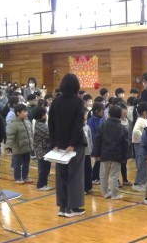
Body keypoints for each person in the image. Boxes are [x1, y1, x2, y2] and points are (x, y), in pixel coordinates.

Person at [49, 73, 86, 218]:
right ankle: (72, 208)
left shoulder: (56, 101)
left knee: (61, 175)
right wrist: (72, 143)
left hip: (59, 145)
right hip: (74, 145)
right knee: (75, 176)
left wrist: (54, 143)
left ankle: (63, 207)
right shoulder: (78, 102)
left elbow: (51, 123)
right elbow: (78, 124)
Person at [92, 104, 129, 200]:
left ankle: (105, 192)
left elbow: (97, 140)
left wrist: (96, 154)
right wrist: (124, 157)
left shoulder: (102, 125)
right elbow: (125, 144)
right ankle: (114, 194)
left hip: (104, 154)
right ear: (120, 115)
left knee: (103, 175)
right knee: (114, 175)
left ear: (108, 114)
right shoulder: (122, 128)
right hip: (117, 155)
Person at [6, 104, 34, 185]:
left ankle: (25, 177)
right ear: (18, 113)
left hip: (27, 148)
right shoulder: (14, 124)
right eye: (24, 111)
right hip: (18, 149)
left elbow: (31, 134)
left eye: (26, 111)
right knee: (17, 165)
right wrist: (8, 146)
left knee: (26, 164)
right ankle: (17, 178)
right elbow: (10, 136)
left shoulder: (28, 122)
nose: (26, 113)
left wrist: (32, 144)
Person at [131, 101, 147, 192]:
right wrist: (144, 137)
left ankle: (142, 182)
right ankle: (137, 183)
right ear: (144, 112)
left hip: (144, 145)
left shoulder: (145, 120)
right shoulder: (140, 120)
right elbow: (135, 131)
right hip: (140, 144)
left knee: (145, 164)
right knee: (142, 164)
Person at [87, 102, 105, 185]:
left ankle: (97, 177)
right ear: (97, 111)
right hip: (96, 144)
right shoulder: (91, 121)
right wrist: (96, 146)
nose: (103, 112)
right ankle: (94, 177)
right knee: (98, 160)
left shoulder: (102, 119)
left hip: (102, 143)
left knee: (100, 161)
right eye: (102, 110)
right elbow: (92, 135)